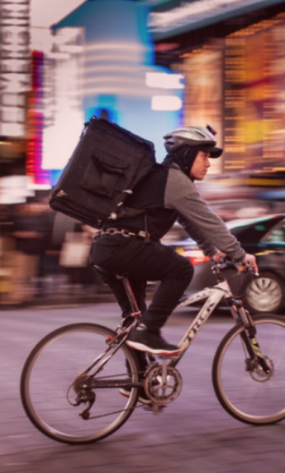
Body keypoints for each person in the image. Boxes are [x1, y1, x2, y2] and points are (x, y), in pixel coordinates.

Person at [90, 125, 258, 359]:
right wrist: (239, 254)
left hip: (107, 249)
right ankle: (150, 331)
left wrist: (212, 251)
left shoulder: (162, 178)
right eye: (204, 156)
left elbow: (189, 222)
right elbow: (209, 221)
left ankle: (136, 383)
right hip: (124, 248)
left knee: (135, 318)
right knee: (180, 269)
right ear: (187, 154)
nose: (208, 163)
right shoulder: (174, 180)